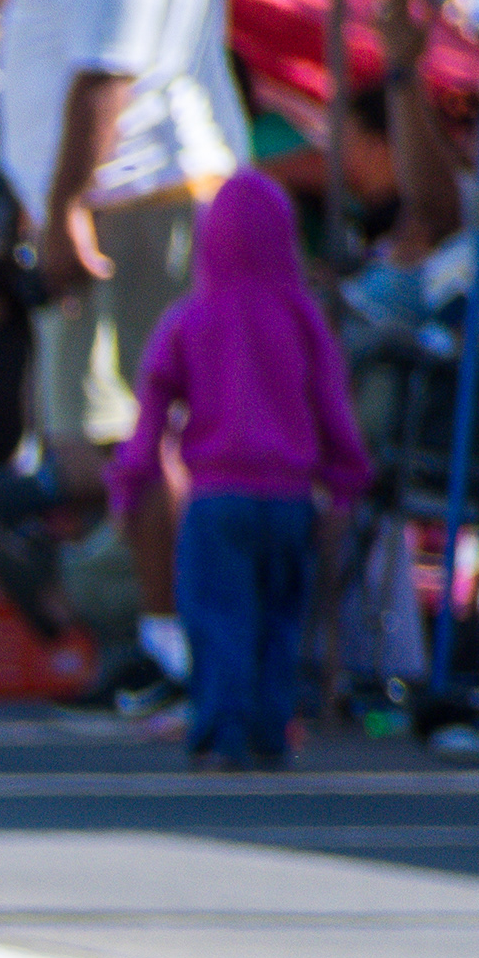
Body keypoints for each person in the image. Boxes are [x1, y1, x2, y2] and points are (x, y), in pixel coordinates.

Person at [0, 0, 232, 508]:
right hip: (136, 190)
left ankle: (158, 616)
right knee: (125, 438)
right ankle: (147, 609)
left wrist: (66, 204)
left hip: (127, 197)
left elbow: (108, 68)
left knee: (121, 441)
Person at [106, 173, 368, 768]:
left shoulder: (190, 318)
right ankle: (271, 729)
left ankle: (221, 730)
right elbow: (334, 410)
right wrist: (345, 488)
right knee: (280, 620)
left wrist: (129, 490)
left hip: (217, 497)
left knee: (218, 616)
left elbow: (149, 417)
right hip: (290, 499)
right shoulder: (304, 320)